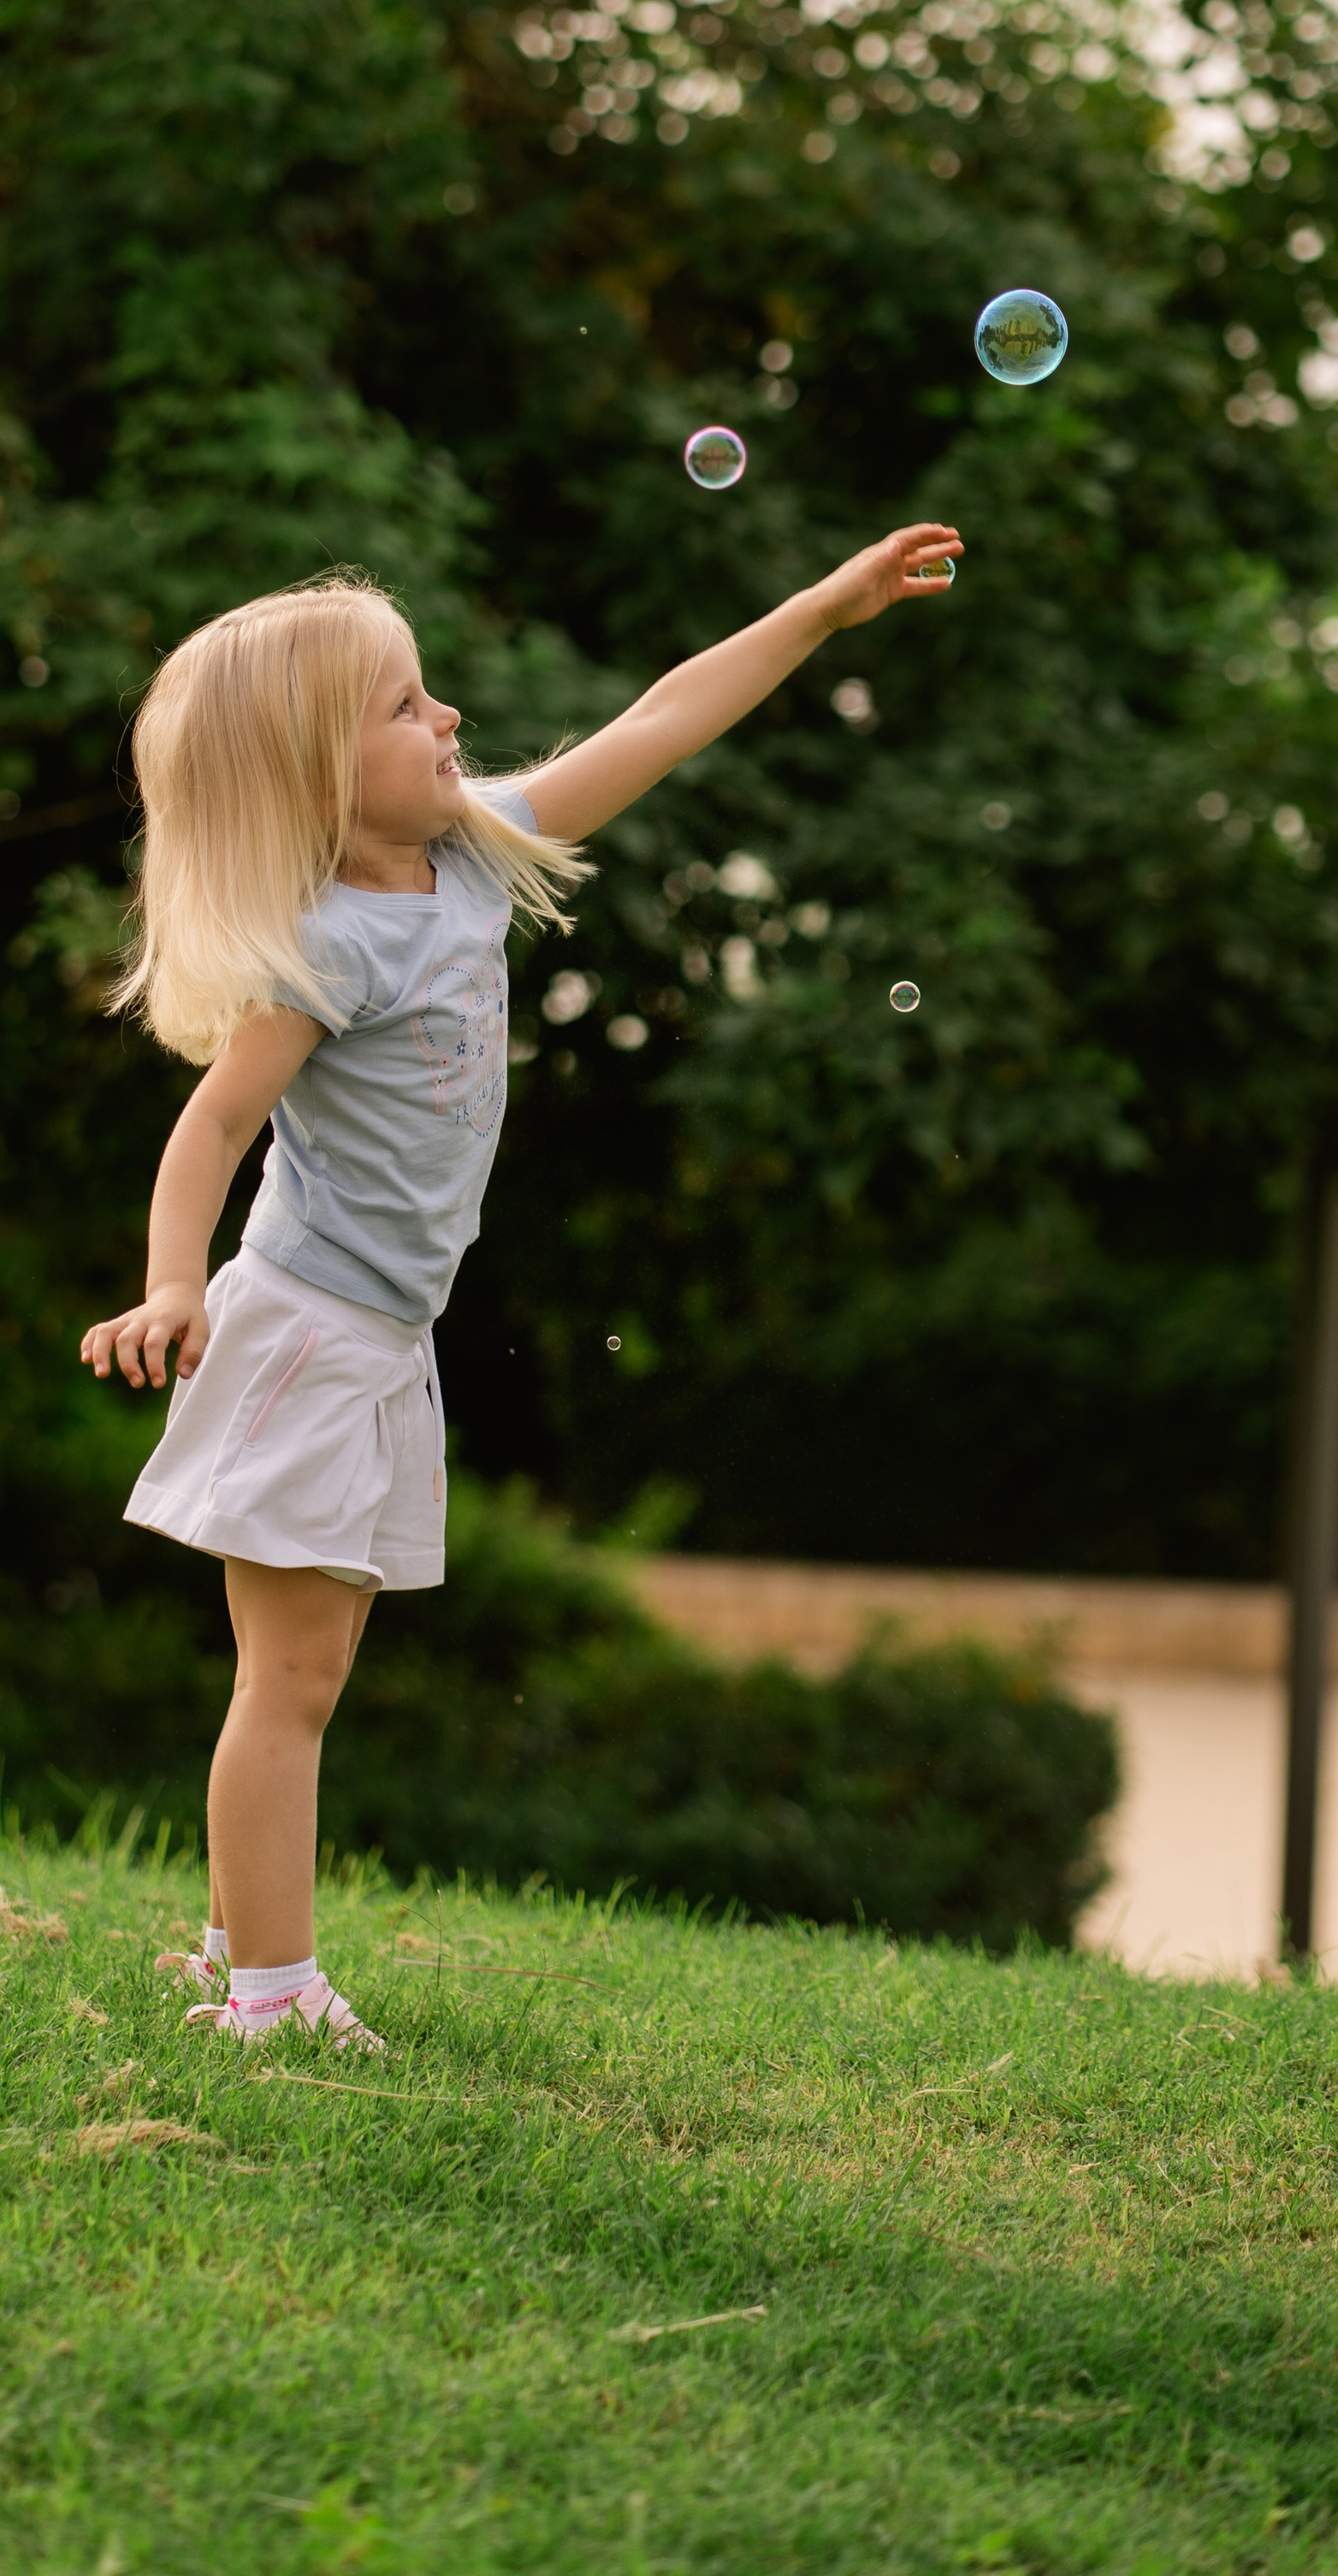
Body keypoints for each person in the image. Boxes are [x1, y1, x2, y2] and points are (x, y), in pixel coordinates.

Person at [80, 519, 962, 2051]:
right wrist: (174, 1288)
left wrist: (823, 608)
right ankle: (271, 1997)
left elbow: (660, 719)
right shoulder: (326, 945)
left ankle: (238, 1955)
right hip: (305, 1327)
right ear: (310, 776)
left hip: (382, 1335)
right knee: (286, 1677)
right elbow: (213, 1124)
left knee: (315, 1665)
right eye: (407, 708)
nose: (450, 722)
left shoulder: (472, 852)